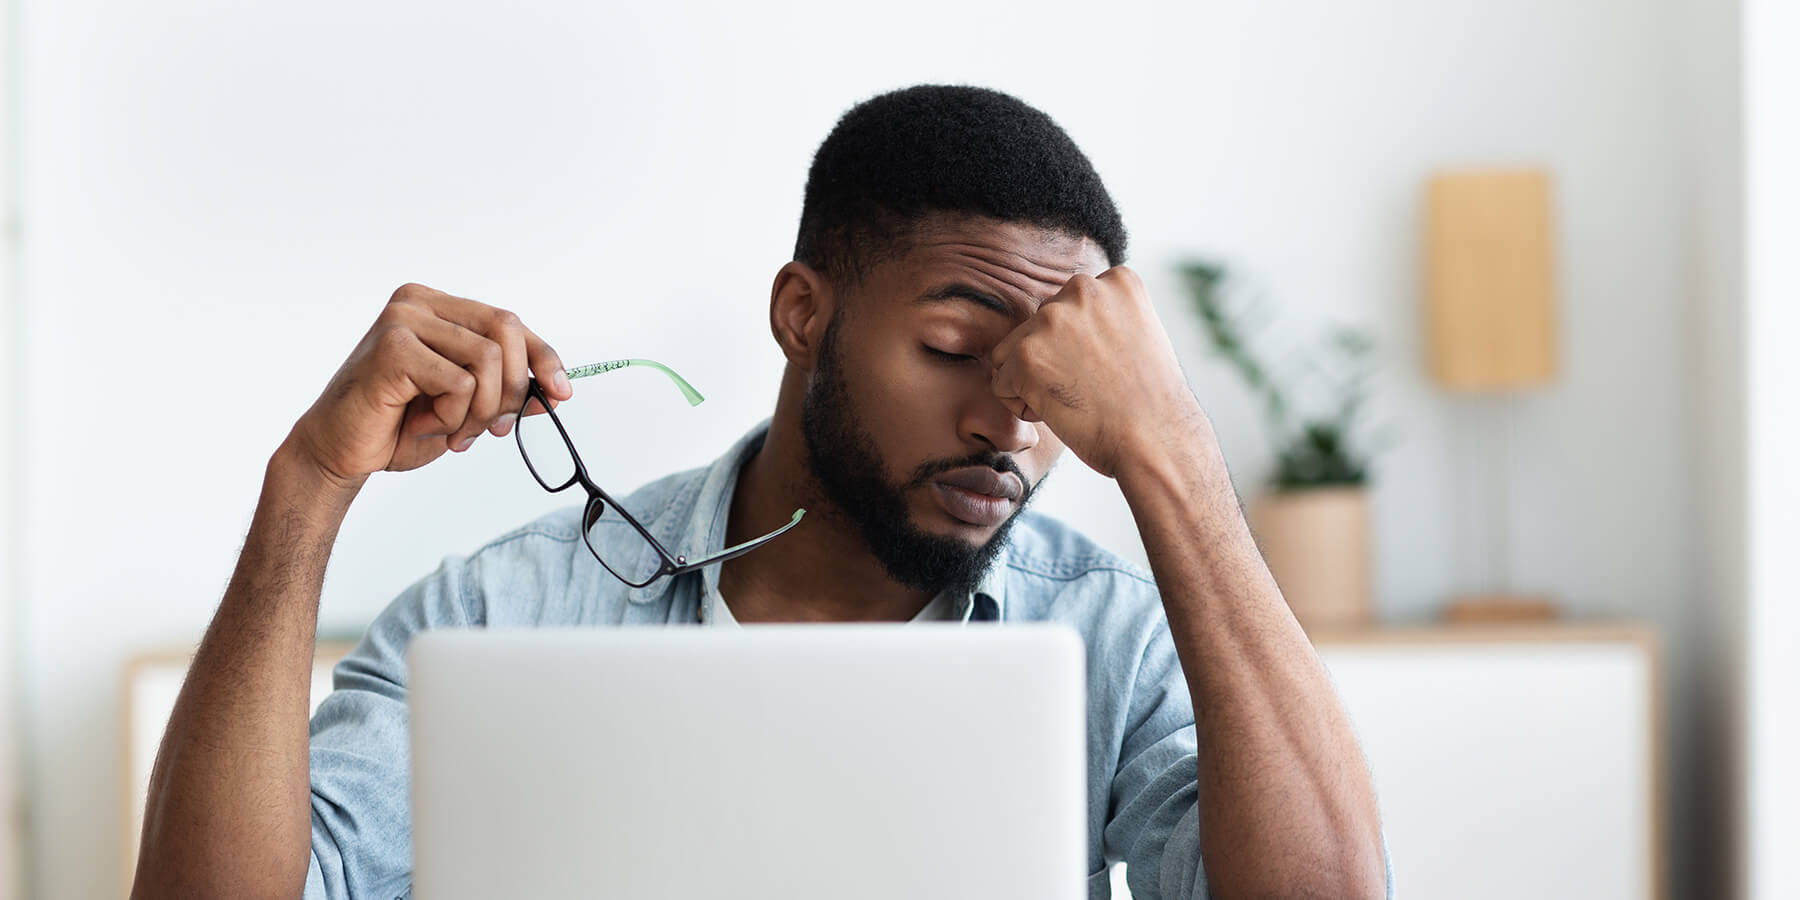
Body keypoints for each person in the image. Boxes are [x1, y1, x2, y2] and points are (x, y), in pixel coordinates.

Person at [131, 85, 1389, 900]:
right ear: (802, 314)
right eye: (955, 348)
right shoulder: (500, 615)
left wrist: (1173, 454)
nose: (1009, 421)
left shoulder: (1108, 631)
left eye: (1057, 382)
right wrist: (307, 486)